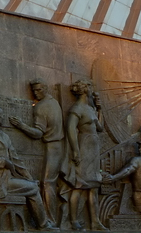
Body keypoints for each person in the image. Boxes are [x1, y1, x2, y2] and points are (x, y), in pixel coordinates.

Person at [0, 106, 56, 231]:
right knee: (33, 189)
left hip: (6, 178)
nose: (3, 117)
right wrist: (4, 162)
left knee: (32, 185)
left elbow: (16, 160)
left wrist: (28, 177)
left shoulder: (5, 136)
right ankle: (43, 225)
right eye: (1, 115)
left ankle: (41, 223)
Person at [11, 80, 66, 224]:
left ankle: (50, 219)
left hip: (52, 147)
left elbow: (37, 133)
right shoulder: (54, 102)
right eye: (33, 90)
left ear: (46, 88)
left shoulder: (41, 107)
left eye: (38, 90)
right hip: (58, 146)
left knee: (47, 183)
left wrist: (21, 125)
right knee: (49, 182)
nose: (35, 93)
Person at [62, 80, 108, 231]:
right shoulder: (77, 108)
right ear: (84, 89)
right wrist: (75, 150)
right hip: (84, 146)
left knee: (93, 186)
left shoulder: (90, 108)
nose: (91, 89)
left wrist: (100, 109)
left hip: (93, 149)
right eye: (89, 86)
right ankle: (73, 220)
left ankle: (95, 222)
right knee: (79, 185)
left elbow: (100, 127)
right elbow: (70, 129)